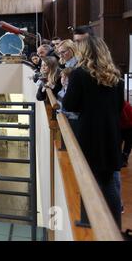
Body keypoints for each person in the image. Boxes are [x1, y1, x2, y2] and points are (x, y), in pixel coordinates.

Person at [63, 36, 123, 227]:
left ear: (85, 52)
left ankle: (89, 223)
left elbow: (70, 104)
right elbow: (119, 107)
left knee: (89, 182)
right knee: (109, 183)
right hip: (111, 134)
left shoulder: (80, 74)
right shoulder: (116, 77)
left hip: (89, 134)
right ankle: (115, 227)